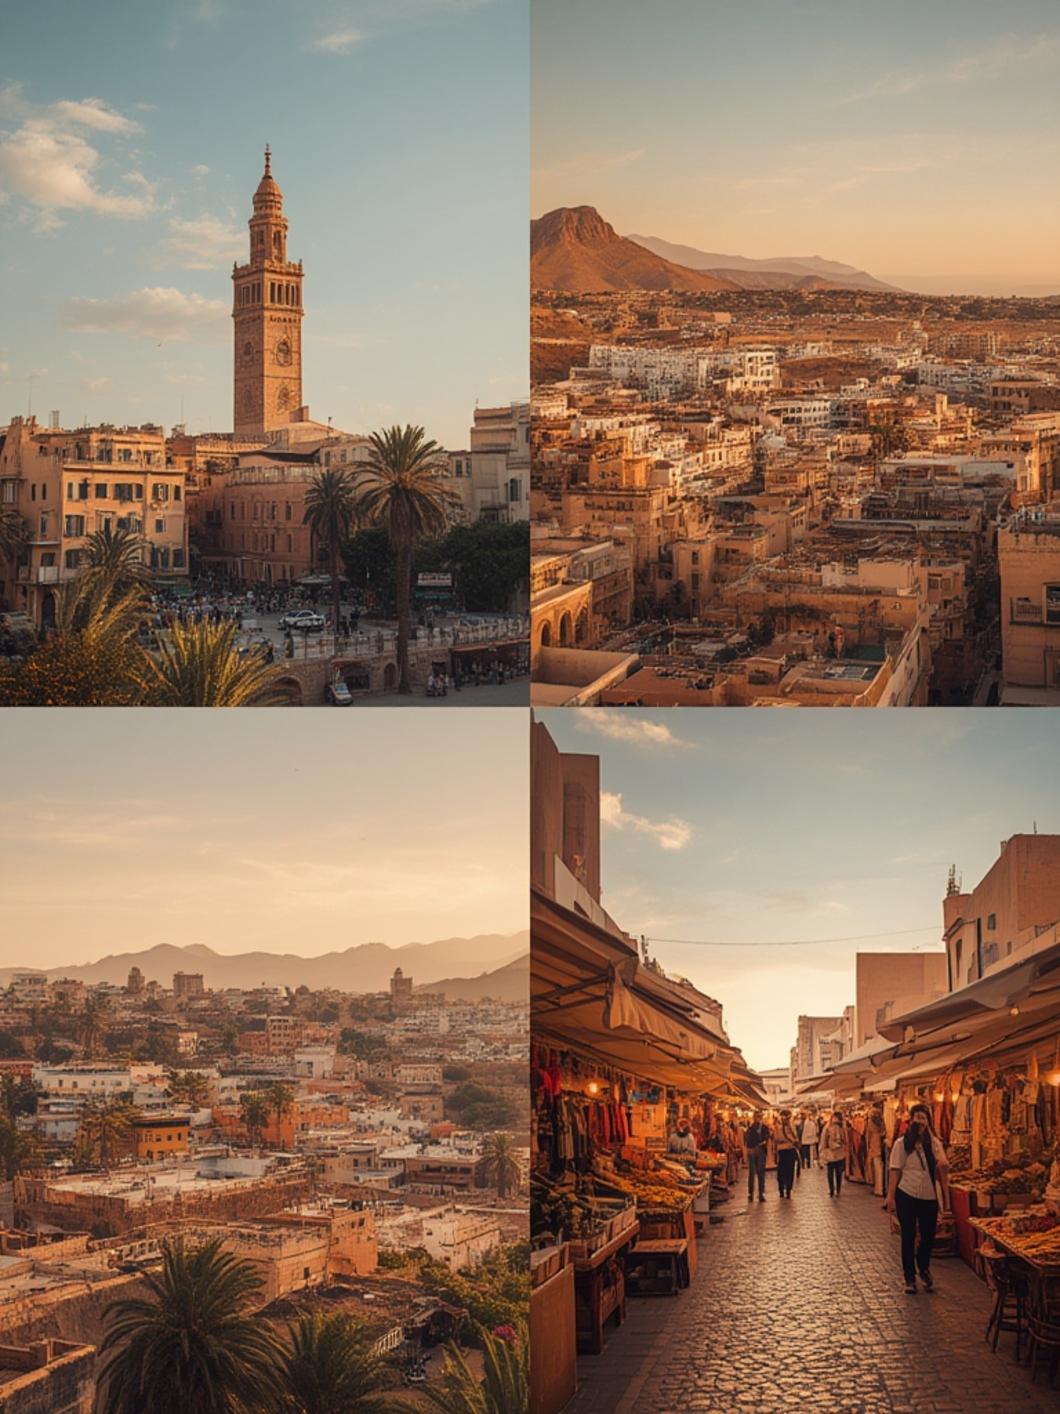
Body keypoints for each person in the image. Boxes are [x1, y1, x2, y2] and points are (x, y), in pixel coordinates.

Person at [885, 1102, 950, 1294]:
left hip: (929, 1195)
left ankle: (923, 1266)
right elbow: (895, 1171)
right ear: (911, 1120)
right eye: (917, 1117)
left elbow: (943, 1169)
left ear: (928, 1121)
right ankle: (909, 1277)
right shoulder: (901, 1144)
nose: (920, 1121)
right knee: (908, 1235)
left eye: (924, 1117)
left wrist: (945, 1197)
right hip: (907, 1193)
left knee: (928, 1235)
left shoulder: (935, 1144)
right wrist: (890, 1196)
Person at [819, 1111, 846, 1196]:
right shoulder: (841, 1127)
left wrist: (823, 1149)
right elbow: (845, 1140)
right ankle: (836, 1190)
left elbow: (824, 1140)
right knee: (837, 1173)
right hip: (838, 1152)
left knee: (832, 1173)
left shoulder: (828, 1127)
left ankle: (833, 1190)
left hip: (832, 1152)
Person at [744, 1114, 770, 1202]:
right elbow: (747, 1139)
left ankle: (759, 1193)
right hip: (755, 1150)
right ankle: (752, 1193)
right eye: (756, 1117)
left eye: (758, 1117)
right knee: (754, 1173)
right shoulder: (751, 1128)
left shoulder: (762, 1128)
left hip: (759, 1151)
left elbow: (767, 1137)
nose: (757, 1119)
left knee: (759, 1172)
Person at [774, 1110, 799, 1198]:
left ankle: (787, 1190)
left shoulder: (791, 1126)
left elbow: (795, 1137)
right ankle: (783, 1190)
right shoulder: (778, 1127)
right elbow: (776, 1139)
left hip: (788, 1150)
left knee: (788, 1171)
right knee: (783, 1172)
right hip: (784, 1151)